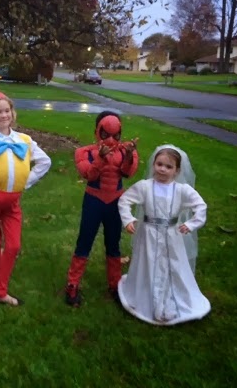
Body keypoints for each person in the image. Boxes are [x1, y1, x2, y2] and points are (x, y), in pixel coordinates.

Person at [117, 144, 210, 326]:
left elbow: (200, 206)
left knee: (172, 263)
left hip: (172, 236)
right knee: (149, 261)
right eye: (159, 164)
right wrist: (128, 219)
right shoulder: (144, 187)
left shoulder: (182, 190)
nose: (162, 169)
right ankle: (147, 295)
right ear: (153, 165)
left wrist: (191, 223)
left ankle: (171, 296)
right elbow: (125, 200)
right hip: (148, 235)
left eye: (168, 166)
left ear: (177, 171)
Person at [0, 91, 51, 306]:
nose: (3, 115)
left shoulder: (24, 140)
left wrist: (25, 181)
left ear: (12, 113)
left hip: (12, 202)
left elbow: (45, 162)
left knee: (13, 245)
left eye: (6, 111)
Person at [64, 111, 138, 307]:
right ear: (97, 131)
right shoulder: (85, 152)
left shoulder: (125, 150)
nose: (111, 140)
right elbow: (89, 174)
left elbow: (127, 173)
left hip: (115, 202)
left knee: (113, 244)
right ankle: (72, 284)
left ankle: (115, 285)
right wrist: (101, 158)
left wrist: (128, 156)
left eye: (116, 135)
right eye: (106, 134)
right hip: (94, 201)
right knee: (85, 241)